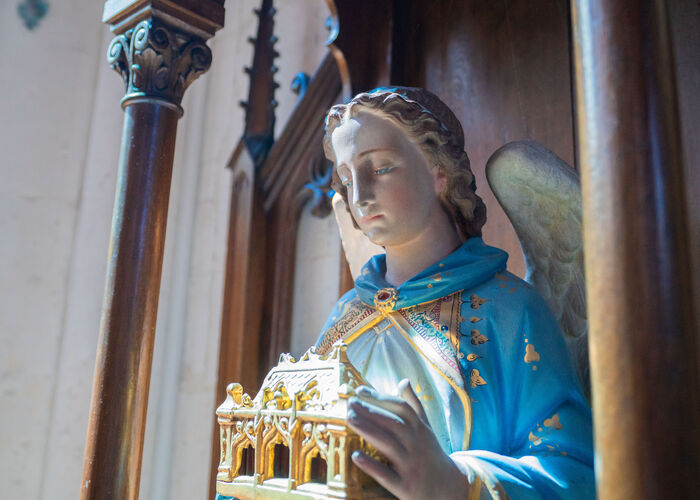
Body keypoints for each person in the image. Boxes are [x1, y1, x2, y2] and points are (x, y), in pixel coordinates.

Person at [312, 87, 595, 499]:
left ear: (437, 171)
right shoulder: (347, 314)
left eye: (381, 167)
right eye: (348, 176)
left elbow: (575, 473)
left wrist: (457, 484)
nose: (359, 196)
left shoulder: (510, 310)